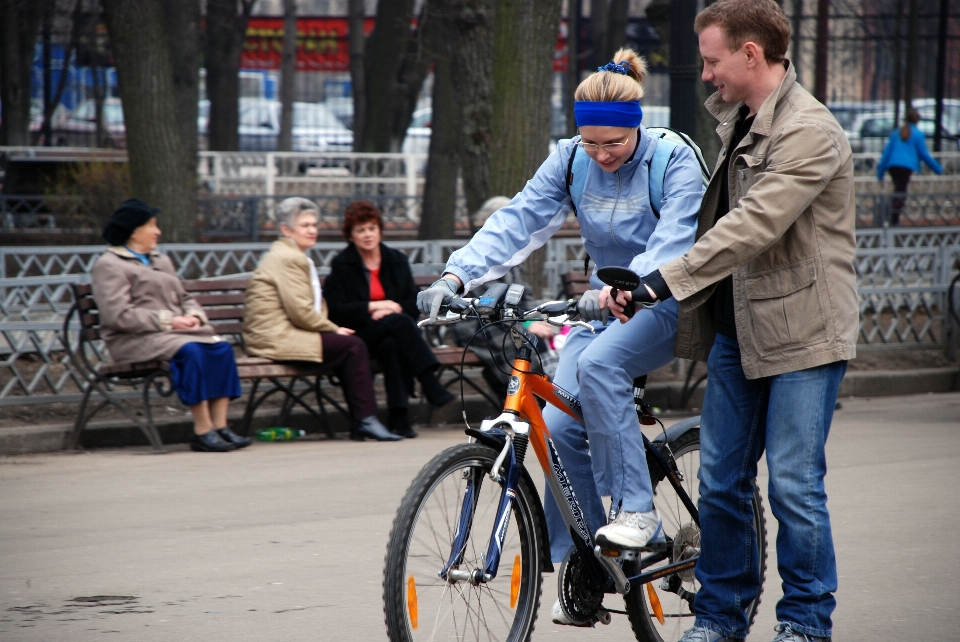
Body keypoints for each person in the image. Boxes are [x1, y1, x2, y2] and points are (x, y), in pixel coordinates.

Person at [416, 48, 705, 624]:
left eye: (612, 145)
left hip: (668, 297)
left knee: (600, 369)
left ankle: (637, 510)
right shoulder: (570, 159)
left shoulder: (674, 159)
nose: (599, 155)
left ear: (637, 127)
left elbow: (676, 242)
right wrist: (456, 274)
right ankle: (587, 567)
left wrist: (634, 286)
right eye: (589, 142)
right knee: (561, 425)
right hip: (601, 306)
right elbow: (519, 219)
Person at [608, 2, 858, 640]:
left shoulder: (809, 130)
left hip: (803, 334)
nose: (705, 73)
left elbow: (753, 225)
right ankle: (720, 617)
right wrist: (640, 277)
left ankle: (805, 623)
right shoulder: (740, 119)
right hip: (738, 329)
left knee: (795, 487)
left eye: (713, 59)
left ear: (752, 54)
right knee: (720, 482)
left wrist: (666, 280)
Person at [91, 199, 249, 453]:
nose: (158, 231)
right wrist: (168, 320)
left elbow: (184, 297)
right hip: (132, 340)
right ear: (133, 231)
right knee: (192, 351)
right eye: (152, 225)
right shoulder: (109, 265)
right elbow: (117, 315)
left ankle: (221, 428)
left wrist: (194, 315)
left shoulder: (161, 260)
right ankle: (202, 431)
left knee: (222, 349)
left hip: (172, 335)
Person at [242, 197, 400, 442]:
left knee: (352, 346)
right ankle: (365, 420)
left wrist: (332, 330)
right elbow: (301, 311)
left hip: (285, 331)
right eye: (305, 225)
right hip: (274, 337)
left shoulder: (293, 254)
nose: (312, 230)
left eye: (314, 224)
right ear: (286, 230)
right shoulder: (288, 258)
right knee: (353, 346)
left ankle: (363, 421)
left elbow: (306, 309)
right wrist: (333, 329)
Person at [322, 200, 454, 439]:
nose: (367, 235)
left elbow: (411, 304)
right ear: (350, 235)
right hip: (359, 335)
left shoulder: (395, 259)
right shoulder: (343, 264)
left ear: (380, 230)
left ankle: (399, 418)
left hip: (392, 333)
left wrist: (392, 308)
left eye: (371, 228)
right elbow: (336, 310)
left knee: (392, 344)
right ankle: (430, 383)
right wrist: (373, 307)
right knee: (399, 323)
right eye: (360, 230)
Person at [876, 108, 943, 225]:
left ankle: (891, 217)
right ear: (917, 121)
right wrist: (938, 169)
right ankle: (889, 217)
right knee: (901, 192)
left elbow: (886, 153)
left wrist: (880, 174)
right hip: (906, 167)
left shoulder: (896, 132)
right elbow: (924, 154)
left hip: (892, 166)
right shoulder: (918, 134)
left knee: (899, 190)